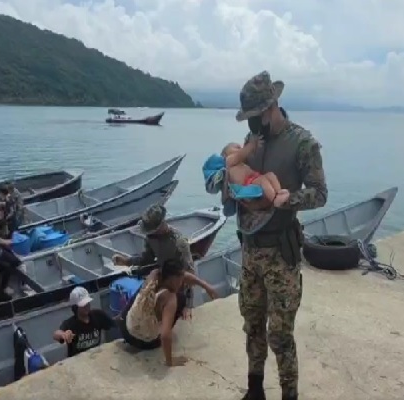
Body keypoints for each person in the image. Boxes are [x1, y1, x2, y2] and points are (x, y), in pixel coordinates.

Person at [234, 71, 328, 400]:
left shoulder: (302, 142)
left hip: (280, 254)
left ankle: (290, 395)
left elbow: (320, 193)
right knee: (252, 324)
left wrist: (291, 198)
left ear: (271, 106)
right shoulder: (251, 143)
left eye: (253, 116)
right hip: (249, 250)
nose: (250, 124)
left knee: (280, 334)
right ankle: (255, 389)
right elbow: (240, 177)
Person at [119, 259, 218, 366]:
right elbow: (165, 335)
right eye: (181, 280)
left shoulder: (154, 275)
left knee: (143, 295)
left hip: (126, 331)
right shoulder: (170, 298)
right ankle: (160, 321)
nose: (182, 284)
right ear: (173, 279)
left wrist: (205, 285)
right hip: (143, 343)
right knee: (181, 298)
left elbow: (182, 275)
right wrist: (170, 361)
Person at [111, 204, 196, 320]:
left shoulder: (179, 242)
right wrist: (126, 261)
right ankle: (125, 317)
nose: (150, 233)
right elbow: (146, 259)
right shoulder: (150, 238)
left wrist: (188, 304)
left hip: (177, 283)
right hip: (161, 277)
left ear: (161, 225)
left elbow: (190, 271)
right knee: (139, 300)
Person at [221, 139, 289, 207]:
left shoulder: (241, 163)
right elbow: (240, 155)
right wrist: (251, 145)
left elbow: (245, 156)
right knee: (263, 181)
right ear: (225, 153)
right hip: (247, 183)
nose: (241, 149)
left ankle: (279, 193)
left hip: (254, 178)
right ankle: (274, 200)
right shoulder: (228, 161)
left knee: (270, 175)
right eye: (237, 147)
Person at [53, 286, 116, 357]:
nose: (86, 306)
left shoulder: (98, 315)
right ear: (75, 307)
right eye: (83, 305)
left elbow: (114, 322)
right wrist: (63, 335)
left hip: (95, 356)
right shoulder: (70, 324)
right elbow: (56, 334)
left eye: (87, 303)